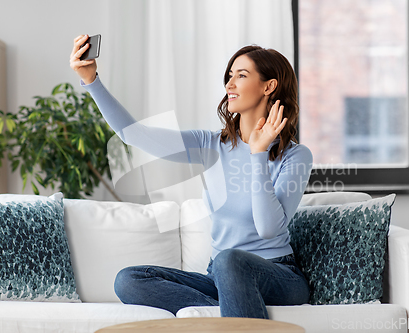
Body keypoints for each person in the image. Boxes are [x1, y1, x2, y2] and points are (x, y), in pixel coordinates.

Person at [70, 34, 313, 319]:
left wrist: (258, 154)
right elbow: (134, 135)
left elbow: (268, 229)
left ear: (268, 86)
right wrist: (91, 80)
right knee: (130, 279)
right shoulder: (211, 145)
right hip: (221, 277)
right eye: (229, 75)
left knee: (229, 260)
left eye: (241, 75)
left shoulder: (296, 156)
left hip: (278, 277)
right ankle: (229, 314)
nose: (229, 84)